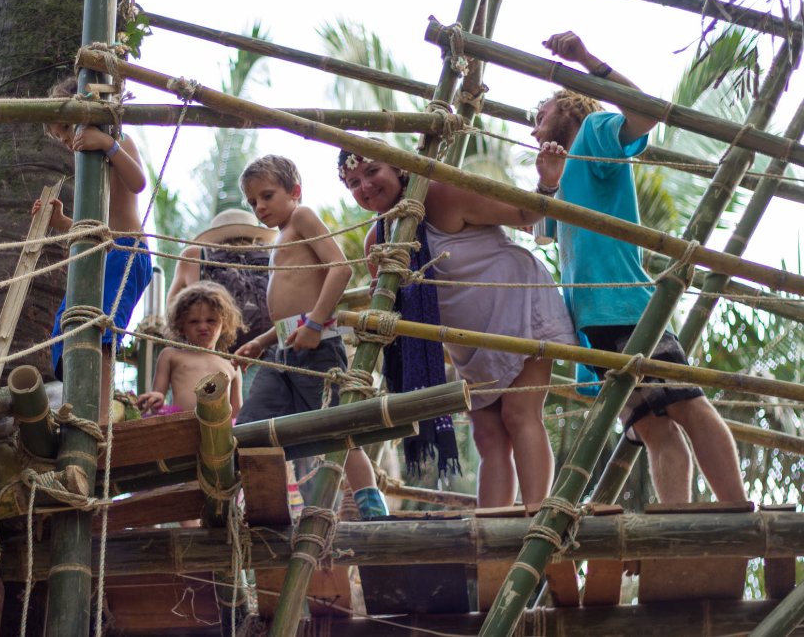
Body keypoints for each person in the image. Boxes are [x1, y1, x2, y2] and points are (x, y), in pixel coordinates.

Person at [532, 31, 747, 503]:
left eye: (540, 114)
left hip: (622, 304)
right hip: (591, 322)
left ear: (569, 108)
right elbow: (543, 232)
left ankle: (734, 507)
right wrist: (548, 185)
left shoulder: (593, 135)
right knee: (653, 429)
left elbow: (646, 113)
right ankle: (676, 529)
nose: (533, 128)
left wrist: (588, 60)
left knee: (686, 404)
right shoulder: (560, 171)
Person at [338, 144, 577, 508]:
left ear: (400, 169)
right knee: (488, 435)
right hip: (470, 342)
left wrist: (548, 180)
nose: (366, 186)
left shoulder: (443, 193)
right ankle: (491, 533)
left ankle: (536, 522)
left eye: (372, 172)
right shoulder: (379, 242)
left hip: (520, 309)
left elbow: (526, 214)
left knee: (519, 414)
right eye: (354, 182)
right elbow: (397, 312)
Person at [233, 154, 389, 519]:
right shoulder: (280, 238)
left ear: (295, 191)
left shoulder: (301, 218)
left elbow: (340, 268)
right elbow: (289, 317)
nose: (260, 206)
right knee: (252, 426)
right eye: (253, 201)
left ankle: (370, 505)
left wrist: (316, 324)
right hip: (284, 352)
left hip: (318, 347)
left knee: (337, 429)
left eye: (268, 196)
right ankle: (263, 507)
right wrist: (262, 342)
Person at [35, 76, 153, 424]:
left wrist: (105, 142)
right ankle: (77, 405)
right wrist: (60, 221)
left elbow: (138, 182)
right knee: (68, 327)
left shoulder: (118, 140)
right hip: (103, 252)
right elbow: (95, 227)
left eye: (69, 128)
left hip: (127, 251)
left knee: (98, 328)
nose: (69, 140)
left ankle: (98, 417)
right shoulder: (89, 164)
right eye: (61, 137)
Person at [167, 209, 276, 396]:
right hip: (269, 356)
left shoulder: (194, 256)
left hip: (216, 363)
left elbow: (171, 314)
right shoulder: (273, 254)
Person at [135, 281, 243, 418]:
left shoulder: (232, 366)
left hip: (218, 433)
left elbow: (237, 416)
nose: (203, 327)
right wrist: (156, 398)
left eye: (211, 320)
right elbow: (158, 394)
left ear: (224, 324)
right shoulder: (171, 355)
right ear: (181, 326)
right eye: (194, 321)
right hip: (180, 428)